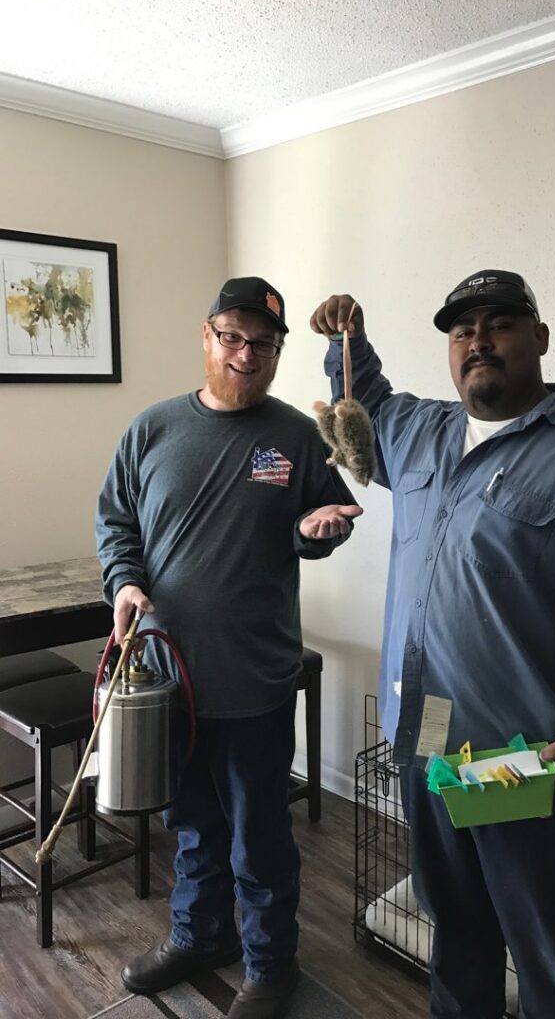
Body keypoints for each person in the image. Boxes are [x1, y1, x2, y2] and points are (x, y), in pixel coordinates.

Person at [310, 270, 555, 1019]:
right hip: (430, 744)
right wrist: (346, 340)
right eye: (461, 329)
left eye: (500, 323)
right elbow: (366, 408)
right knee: (457, 939)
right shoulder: (421, 433)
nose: (477, 340)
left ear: (539, 338)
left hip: (528, 764)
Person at [97, 276, 361, 1019]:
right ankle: (199, 936)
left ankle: (272, 964)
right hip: (169, 683)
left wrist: (318, 535)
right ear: (207, 338)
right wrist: (123, 582)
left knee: (259, 837)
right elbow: (115, 521)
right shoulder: (151, 430)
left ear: (278, 353)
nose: (248, 353)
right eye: (234, 338)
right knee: (191, 826)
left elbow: (318, 522)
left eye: (265, 344)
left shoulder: (295, 438)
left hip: (255, 680)